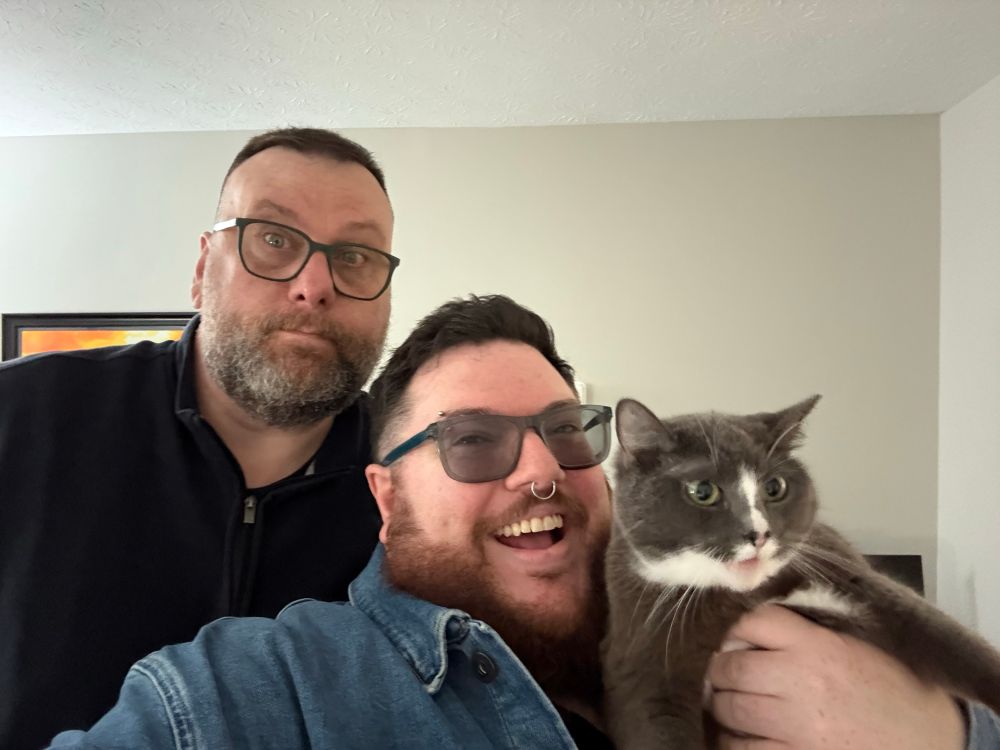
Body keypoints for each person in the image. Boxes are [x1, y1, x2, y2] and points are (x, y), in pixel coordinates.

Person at [44, 295, 1000, 750]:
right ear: (385, 497)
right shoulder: (256, 696)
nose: (542, 468)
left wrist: (945, 735)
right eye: (472, 442)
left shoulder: (719, 612)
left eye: (563, 432)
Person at [0, 127, 398, 749]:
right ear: (201, 267)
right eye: (272, 238)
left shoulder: (419, 483)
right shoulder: (19, 416)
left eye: (354, 256)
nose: (315, 285)